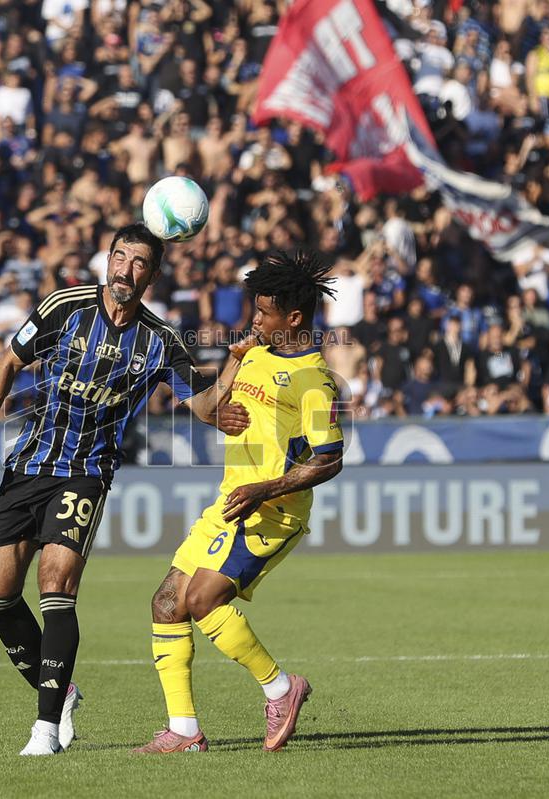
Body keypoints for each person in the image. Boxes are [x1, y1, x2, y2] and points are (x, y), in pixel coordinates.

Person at [0, 223, 250, 756]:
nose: (124, 270)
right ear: (107, 260)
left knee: (55, 582)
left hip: (87, 470)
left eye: (137, 263)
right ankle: (60, 693)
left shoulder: (159, 340)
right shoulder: (65, 306)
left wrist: (235, 364)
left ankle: (44, 732)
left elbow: (202, 407)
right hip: (29, 465)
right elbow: (8, 363)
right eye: (119, 257)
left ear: (151, 275)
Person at [134, 251, 344, 754]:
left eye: (264, 312)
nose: (254, 319)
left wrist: (265, 489)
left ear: (293, 318)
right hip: (230, 503)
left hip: (272, 512)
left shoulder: (313, 381)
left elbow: (330, 460)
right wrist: (227, 383)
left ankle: (281, 689)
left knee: (202, 600)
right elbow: (210, 409)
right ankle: (184, 731)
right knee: (167, 603)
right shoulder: (252, 353)